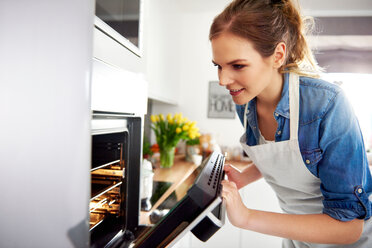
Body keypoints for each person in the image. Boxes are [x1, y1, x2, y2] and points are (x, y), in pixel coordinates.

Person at [209, 0, 372, 247]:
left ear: (277, 55)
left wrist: (247, 217)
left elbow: (348, 227)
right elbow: (285, 157)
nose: (223, 79)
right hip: (299, 240)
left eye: (238, 65)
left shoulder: (326, 105)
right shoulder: (245, 103)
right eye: (218, 66)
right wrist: (245, 177)